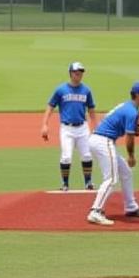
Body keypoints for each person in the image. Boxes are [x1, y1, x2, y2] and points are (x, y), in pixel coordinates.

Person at [86, 81, 139, 226]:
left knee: (125, 172)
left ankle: (131, 207)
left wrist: (133, 131)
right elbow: (129, 137)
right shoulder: (132, 111)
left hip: (100, 139)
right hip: (103, 141)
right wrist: (131, 155)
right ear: (137, 95)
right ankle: (95, 211)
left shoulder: (128, 106)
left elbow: (122, 127)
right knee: (111, 179)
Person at [41, 61, 97, 191]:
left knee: (87, 155)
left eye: (81, 72)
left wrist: (95, 126)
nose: (79, 75)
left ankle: (88, 183)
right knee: (66, 157)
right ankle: (65, 184)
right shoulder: (61, 90)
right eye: (76, 72)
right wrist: (44, 125)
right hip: (67, 128)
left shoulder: (86, 90)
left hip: (83, 127)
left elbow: (91, 110)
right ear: (71, 73)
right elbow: (50, 107)